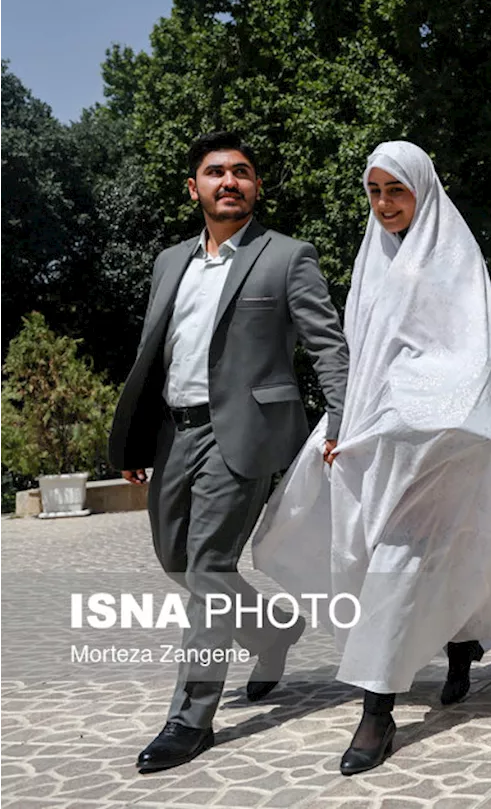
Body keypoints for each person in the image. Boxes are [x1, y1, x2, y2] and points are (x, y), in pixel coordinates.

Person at [254, 142, 491, 775]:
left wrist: (409, 414)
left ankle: (377, 713)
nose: (386, 204)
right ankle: (462, 642)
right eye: (375, 191)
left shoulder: (453, 257)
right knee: (380, 560)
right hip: (377, 441)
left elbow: (472, 355)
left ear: (422, 188)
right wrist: (344, 424)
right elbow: (363, 357)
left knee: (396, 566)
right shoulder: (373, 258)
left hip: (437, 447)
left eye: (397, 190)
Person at [106, 132, 349, 774]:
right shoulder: (168, 261)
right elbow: (156, 354)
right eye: (216, 173)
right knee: (176, 562)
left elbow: (327, 345)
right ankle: (273, 631)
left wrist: (341, 420)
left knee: (209, 567)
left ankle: (189, 719)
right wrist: (138, 436)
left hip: (243, 433)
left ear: (256, 186)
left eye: (242, 171)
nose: (229, 181)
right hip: (174, 432)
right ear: (195, 189)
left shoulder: (287, 256)